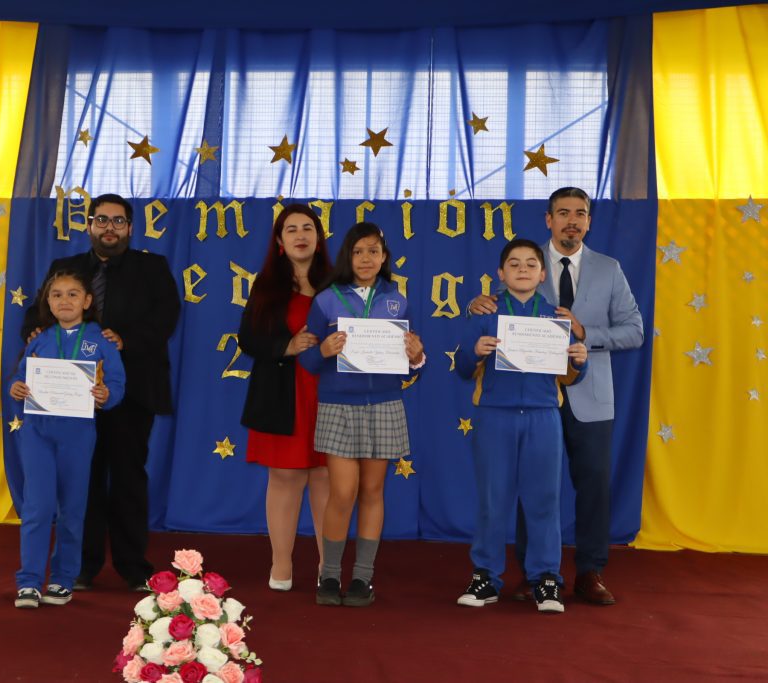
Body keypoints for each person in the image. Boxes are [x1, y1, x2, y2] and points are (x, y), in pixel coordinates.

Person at [469, 187, 643, 605]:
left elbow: (634, 330)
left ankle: (590, 571)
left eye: (580, 213)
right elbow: (496, 318)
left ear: (589, 221)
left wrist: (585, 333)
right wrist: (479, 305)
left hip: (589, 394)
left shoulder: (609, 269)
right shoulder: (526, 263)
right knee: (531, 486)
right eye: (563, 213)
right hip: (531, 397)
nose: (572, 221)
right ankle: (535, 574)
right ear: (548, 219)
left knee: (593, 483)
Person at [21, 193, 180, 591]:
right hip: (68, 400)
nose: (110, 228)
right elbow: (37, 312)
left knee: (128, 478)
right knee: (82, 484)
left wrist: (125, 341)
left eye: (118, 221)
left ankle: (133, 566)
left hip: (132, 391)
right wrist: (34, 330)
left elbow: (166, 318)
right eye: (102, 220)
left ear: (130, 227)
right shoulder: (66, 268)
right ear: (89, 225)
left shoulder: (152, 267)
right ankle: (81, 567)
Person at [455, 239, 589, 614]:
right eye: (514, 264)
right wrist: (474, 352)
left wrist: (579, 360)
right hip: (494, 416)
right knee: (492, 500)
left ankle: (546, 578)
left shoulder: (556, 318)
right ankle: (485, 576)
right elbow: (463, 368)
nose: (523, 269)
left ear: (543, 273)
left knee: (544, 500)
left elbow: (571, 376)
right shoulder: (485, 313)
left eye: (531, 264)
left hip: (543, 417)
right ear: (501, 273)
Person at [300, 222, 425, 607]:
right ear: (347, 257)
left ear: (384, 257)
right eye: (358, 252)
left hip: (384, 404)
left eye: (373, 251)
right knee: (343, 492)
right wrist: (323, 351)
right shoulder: (326, 300)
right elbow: (307, 359)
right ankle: (329, 574)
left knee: (372, 491)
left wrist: (417, 355)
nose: (366, 259)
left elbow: (410, 364)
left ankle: (362, 578)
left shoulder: (397, 300)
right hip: (338, 406)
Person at [9, 270, 125, 609]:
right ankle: (29, 581)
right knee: (37, 508)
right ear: (47, 302)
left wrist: (107, 395)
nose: (64, 300)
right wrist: (16, 388)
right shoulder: (39, 339)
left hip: (78, 434)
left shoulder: (102, 340)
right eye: (56, 294)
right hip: (38, 433)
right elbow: (20, 377)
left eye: (73, 294)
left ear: (87, 301)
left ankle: (62, 578)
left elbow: (116, 383)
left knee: (72, 509)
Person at [238, 204, 331, 592]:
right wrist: (286, 346)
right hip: (283, 394)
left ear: (319, 238)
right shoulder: (266, 286)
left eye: (307, 228)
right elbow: (248, 339)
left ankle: (329, 567)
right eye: (291, 229)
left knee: (327, 478)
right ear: (279, 240)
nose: (300, 235)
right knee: (285, 477)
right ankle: (281, 564)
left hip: (330, 395)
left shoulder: (337, 284)